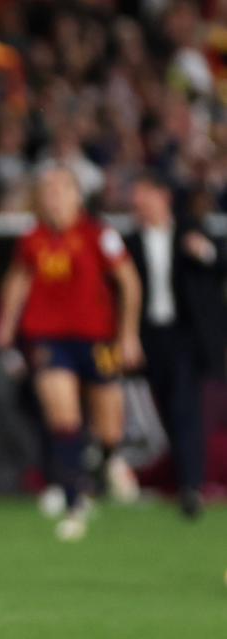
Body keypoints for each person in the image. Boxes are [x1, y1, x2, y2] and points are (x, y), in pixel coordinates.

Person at [0, 166, 143, 541]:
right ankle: (74, 501)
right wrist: (7, 323)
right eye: (48, 190)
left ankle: (103, 463)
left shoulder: (99, 235)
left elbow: (129, 282)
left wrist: (129, 335)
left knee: (110, 429)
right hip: (49, 339)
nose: (54, 196)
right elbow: (19, 278)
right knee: (64, 419)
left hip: (98, 339)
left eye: (61, 188)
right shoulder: (33, 239)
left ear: (77, 195)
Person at [125, 173, 227, 519]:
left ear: (163, 197)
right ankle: (184, 479)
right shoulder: (131, 241)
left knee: (185, 406)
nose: (138, 204)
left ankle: (191, 486)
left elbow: (220, 263)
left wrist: (205, 251)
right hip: (151, 336)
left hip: (185, 335)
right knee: (166, 409)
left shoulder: (190, 230)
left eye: (144, 196)